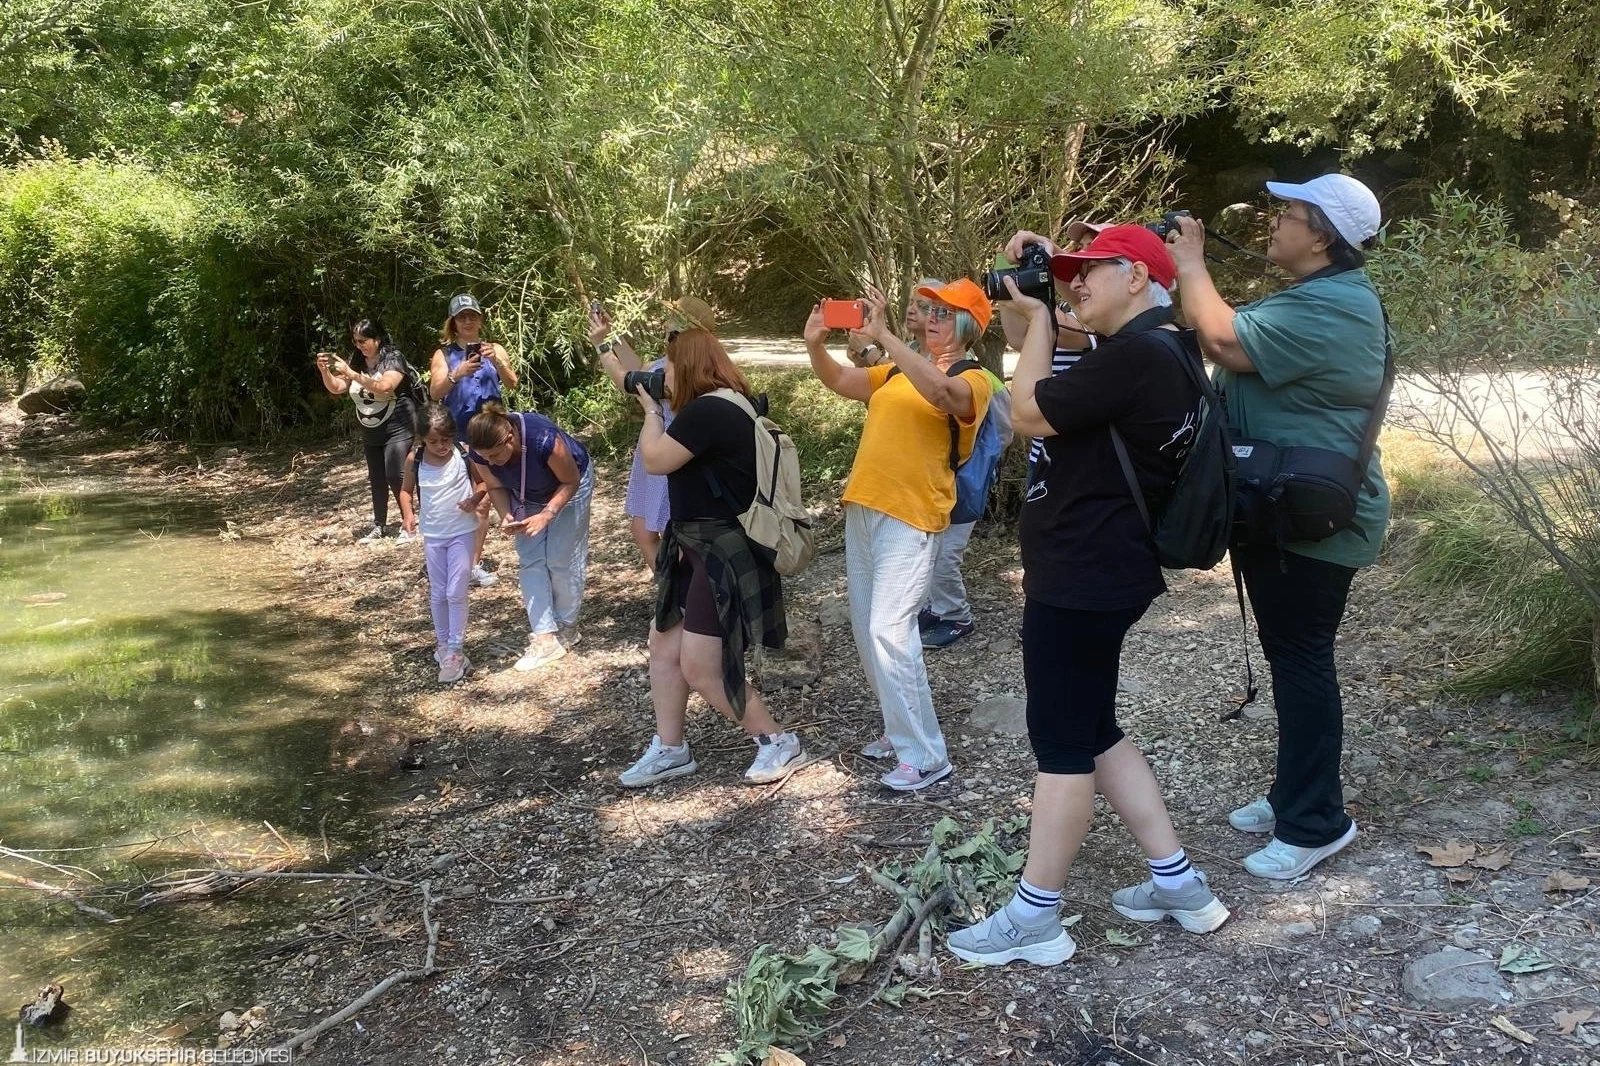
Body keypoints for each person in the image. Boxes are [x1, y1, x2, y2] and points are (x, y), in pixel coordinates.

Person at [948, 226, 1228, 967]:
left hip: (1083, 575)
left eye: (1089, 271)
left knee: (1063, 742)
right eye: (1067, 275)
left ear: (1137, 276)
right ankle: (1180, 885)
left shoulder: (1136, 356)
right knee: (1096, 726)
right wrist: (1038, 287)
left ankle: (1035, 916)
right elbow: (1040, 349)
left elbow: (1028, 411)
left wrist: (1040, 319)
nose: (1075, 286)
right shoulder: (1162, 347)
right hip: (1108, 570)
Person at [1167, 173, 1390, 880]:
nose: (1274, 221)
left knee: (1300, 660)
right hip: (1286, 508)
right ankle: (1293, 791)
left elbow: (1226, 341)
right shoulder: (1316, 297)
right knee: (1291, 654)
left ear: (1321, 234)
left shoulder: (1337, 306)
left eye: (1287, 213)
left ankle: (1317, 821)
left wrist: (1193, 263)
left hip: (1316, 519)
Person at [803, 279, 995, 791]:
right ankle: (900, 729)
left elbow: (940, 393)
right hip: (864, 506)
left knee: (891, 629)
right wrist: (814, 344)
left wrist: (886, 336)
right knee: (870, 630)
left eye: (943, 312)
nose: (931, 318)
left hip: (912, 514)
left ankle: (927, 756)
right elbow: (842, 381)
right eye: (928, 310)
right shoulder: (894, 371)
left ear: (968, 325)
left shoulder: (974, 378)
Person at [617, 327, 808, 787]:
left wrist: (650, 413)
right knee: (664, 646)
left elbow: (656, 460)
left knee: (700, 666)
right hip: (694, 546)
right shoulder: (724, 401)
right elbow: (627, 376)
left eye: (671, 365)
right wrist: (609, 346)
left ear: (690, 364)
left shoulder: (707, 411)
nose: (666, 374)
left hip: (720, 551)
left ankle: (778, 740)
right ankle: (671, 747)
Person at [587, 296, 718, 567]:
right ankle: (675, 593)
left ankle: (677, 595)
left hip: (668, 448)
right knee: (646, 529)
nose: (665, 321)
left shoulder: (684, 367)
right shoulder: (682, 359)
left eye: (672, 316)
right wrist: (613, 336)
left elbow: (630, 383)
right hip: (662, 444)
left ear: (680, 324)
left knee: (661, 531)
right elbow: (642, 371)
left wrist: (601, 345)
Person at [466, 401, 594, 672]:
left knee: (562, 559)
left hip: (568, 487)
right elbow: (495, 484)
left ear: (510, 438)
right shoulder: (482, 453)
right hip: (525, 495)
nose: (490, 462)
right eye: (484, 457)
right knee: (530, 560)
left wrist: (547, 514)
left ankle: (567, 627)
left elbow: (571, 480)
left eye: (495, 455)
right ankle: (545, 637)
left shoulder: (542, 439)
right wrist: (506, 515)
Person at [430, 293, 520, 588]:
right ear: (453, 323)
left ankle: (470, 566)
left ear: (480, 318)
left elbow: (513, 383)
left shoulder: (495, 349)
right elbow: (434, 393)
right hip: (458, 438)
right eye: (462, 317)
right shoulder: (443, 355)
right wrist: (457, 375)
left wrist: (499, 363)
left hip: (492, 434)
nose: (468, 321)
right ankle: (451, 557)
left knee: (484, 500)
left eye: (472, 315)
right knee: (458, 500)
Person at [399, 403, 488, 684]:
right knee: (438, 591)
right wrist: (408, 514)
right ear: (422, 438)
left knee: (456, 590)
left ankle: (456, 649)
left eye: (445, 440)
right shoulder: (415, 459)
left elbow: (483, 484)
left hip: (462, 532)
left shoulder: (463, 454)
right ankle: (443, 645)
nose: (441, 446)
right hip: (433, 535)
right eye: (433, 441)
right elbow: (405, 491)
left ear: (454, 435)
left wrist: (474, 500)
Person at [316, 318, 417, 544]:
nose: (359, 345)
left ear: (377, 339)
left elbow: (385, 387)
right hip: (371, 428)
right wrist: (325, 371)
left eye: (363, 341)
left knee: (395, 473)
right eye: (356, 341)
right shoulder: (357, 361)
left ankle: (408, 524)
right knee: (376, 478)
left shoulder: (393, 358)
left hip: (398, 423)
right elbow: (337, 387)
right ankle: (379, 525)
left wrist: (351, 374)